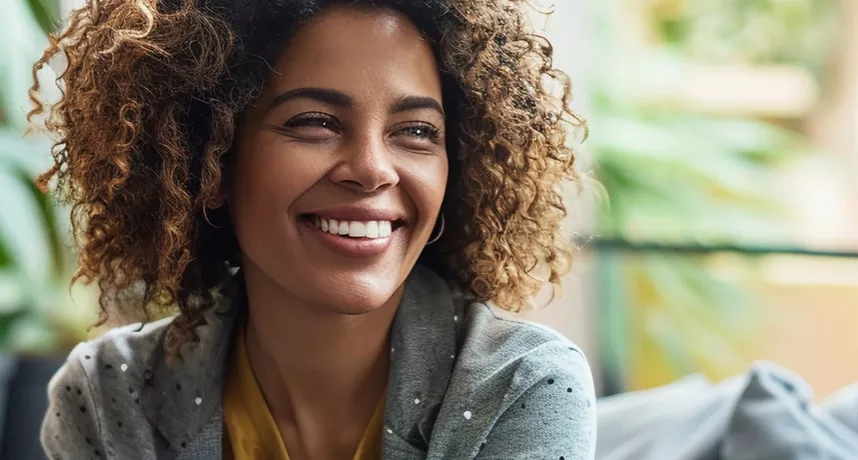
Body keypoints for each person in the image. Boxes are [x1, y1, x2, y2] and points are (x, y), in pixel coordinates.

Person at [32, 0, 596, 458]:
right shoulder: (109, 399)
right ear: (209, 158)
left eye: (416, 131)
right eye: (316, 123)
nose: (373, 169)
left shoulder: (523, 387)